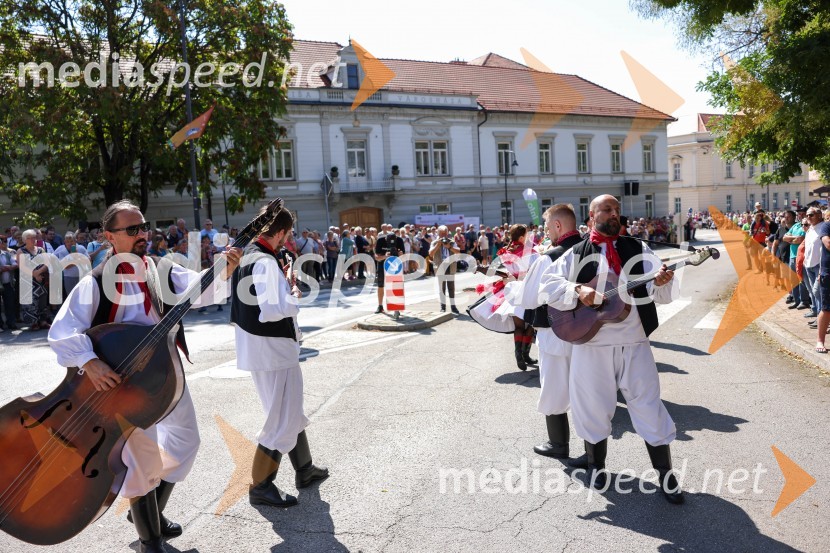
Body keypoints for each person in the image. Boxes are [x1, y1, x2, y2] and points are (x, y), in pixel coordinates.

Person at [47, 200, 242, 553]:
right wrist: (90, 362)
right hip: (122, 387)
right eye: (132, 229)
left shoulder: (160, 270)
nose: (143, 235)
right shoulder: (95, 282)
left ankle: (153, 508)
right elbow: (62, 332)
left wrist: (223, 269)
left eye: (144, 227)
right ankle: (151, 541)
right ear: (109, 236)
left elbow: (198, 290)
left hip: (164, 374)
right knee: (141, 459)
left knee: (186, 441)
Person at [539, 194, 682, 503]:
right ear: (592, 217)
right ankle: (597, 467)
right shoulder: (576, 253)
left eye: (616, 210)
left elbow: (664, 295)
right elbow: (547, 286)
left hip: (634, 343)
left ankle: (666, 476)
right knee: (591, 406)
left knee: (648, 405)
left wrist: (661, 281)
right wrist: (577, 290)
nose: (614, 214)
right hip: (591, 343)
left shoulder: (637, 249)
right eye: (606, 209)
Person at [231, 205, 328, 508]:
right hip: (272, 348)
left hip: (259, 346)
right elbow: (273, 309)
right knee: (280, 419)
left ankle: (305, 469)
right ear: (282, 232)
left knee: (289, 412)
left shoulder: (249, 255)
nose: (289, 239)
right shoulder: (265, 262)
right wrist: (294, 294)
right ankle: (260, 486)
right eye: (289, 233)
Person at [17, 229, 52, 330]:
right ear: (24, 240)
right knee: (30, 303)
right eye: (30, 238)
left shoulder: (41, 250)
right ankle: (33, 323)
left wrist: (39, 272)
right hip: (28, 281)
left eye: (34, 237)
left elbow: (47, 263)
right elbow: (22, 266)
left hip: (41, 279)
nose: (33, 240)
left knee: (42, 301)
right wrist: (35, 274)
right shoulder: (21, 251)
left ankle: (43, 321)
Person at [373, 224, 405, 313]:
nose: (391, 243)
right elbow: (376, 257)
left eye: (393, 241)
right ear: (386, 239)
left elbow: (403, 255)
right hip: (382, 264)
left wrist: (400, 254)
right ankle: (380, 306)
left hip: (395, 266)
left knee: (395, 285)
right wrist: (384, 256)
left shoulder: (399, 240)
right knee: (380, 285)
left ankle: (396, 307)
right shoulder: (380, 241)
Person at [429, 225, 461, 314]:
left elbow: (458, 252)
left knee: (451, 287)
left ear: (447, 233)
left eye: (445, 233)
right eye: (442, 233)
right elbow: (431, 254)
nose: (443, 236)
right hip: (440, 266)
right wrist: (438, 245)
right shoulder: (434, 242)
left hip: (450, 265)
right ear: (438, 233)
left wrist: (449, 247)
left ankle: (453, 307)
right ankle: (443, 307)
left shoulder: (451, 242)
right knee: (441, 288)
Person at [54, 231, 89, 298]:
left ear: (75, 241)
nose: (69, 243)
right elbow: (64, 266)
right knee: (71, 297)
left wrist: (73, 260)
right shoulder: (62, 251)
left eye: (71, 241)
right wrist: (74, 257)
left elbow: (88, 261)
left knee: (82, 297)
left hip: (82, 276)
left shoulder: (81, 248)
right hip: (68, 277)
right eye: (67, 242)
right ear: (64, 242)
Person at [0, 233, 19, 330]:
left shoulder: (7, 254)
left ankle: (11, 322)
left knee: (10, 304)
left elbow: (15, 264)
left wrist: (9, 267)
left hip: (8, 283)